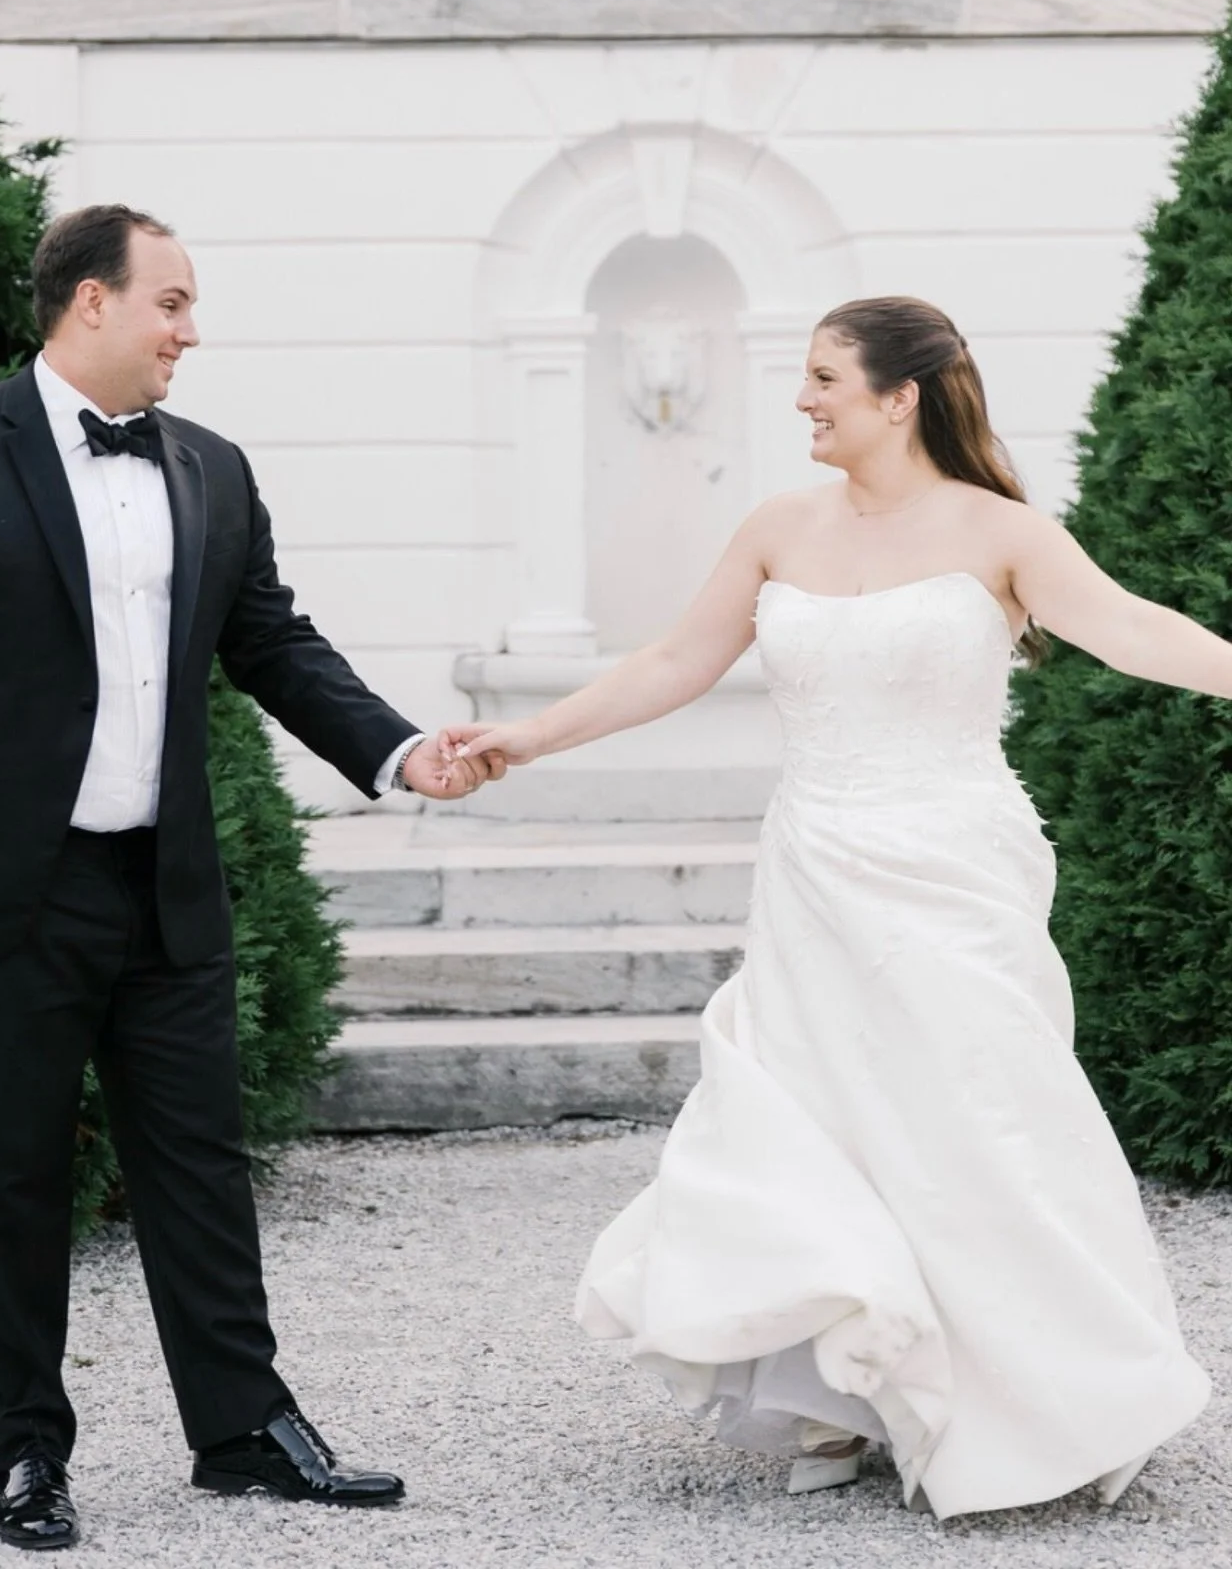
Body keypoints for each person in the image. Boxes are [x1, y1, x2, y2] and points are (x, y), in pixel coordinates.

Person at [0, 204, 501, 1552]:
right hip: (2, 894)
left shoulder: (214, 470)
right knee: (10, 1182)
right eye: (171, 301)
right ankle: (27, 1455)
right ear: (90, 303)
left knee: (198, 1166)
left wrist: (403, 751)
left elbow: (277, 648)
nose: (191, 329)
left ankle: (244, 1431)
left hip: (164, 887)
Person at [447, 295, 1214, 1519]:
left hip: (954, 863)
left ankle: (1032, 1396)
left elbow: (1126, 629)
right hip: (816, 864)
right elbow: (670, 665)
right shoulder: (776, 528)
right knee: (821, 1120)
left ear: (899, 395)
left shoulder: (1002, 531)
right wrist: (524, 739)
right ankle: (846, 1391)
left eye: (823, 377)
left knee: (974, 1120)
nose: (802, 397)